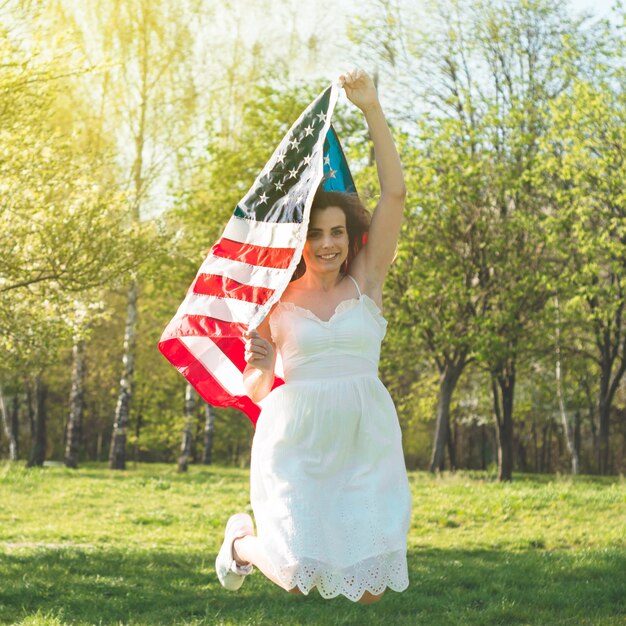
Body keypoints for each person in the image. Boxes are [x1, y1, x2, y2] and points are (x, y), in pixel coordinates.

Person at [215, 69, 412, 604]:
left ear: (351, 238)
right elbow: (258, 389)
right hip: (295, 439)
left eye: (337, 233)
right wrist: (257, 361)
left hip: (363, 433)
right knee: (296, 577)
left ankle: (248, 546)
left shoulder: (366, 282)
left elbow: (393, 193)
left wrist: (370, 108)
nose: (327, 244)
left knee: (368, 592)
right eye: (315, 234)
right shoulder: (273, 303)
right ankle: (239, 545)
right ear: (300, 241)